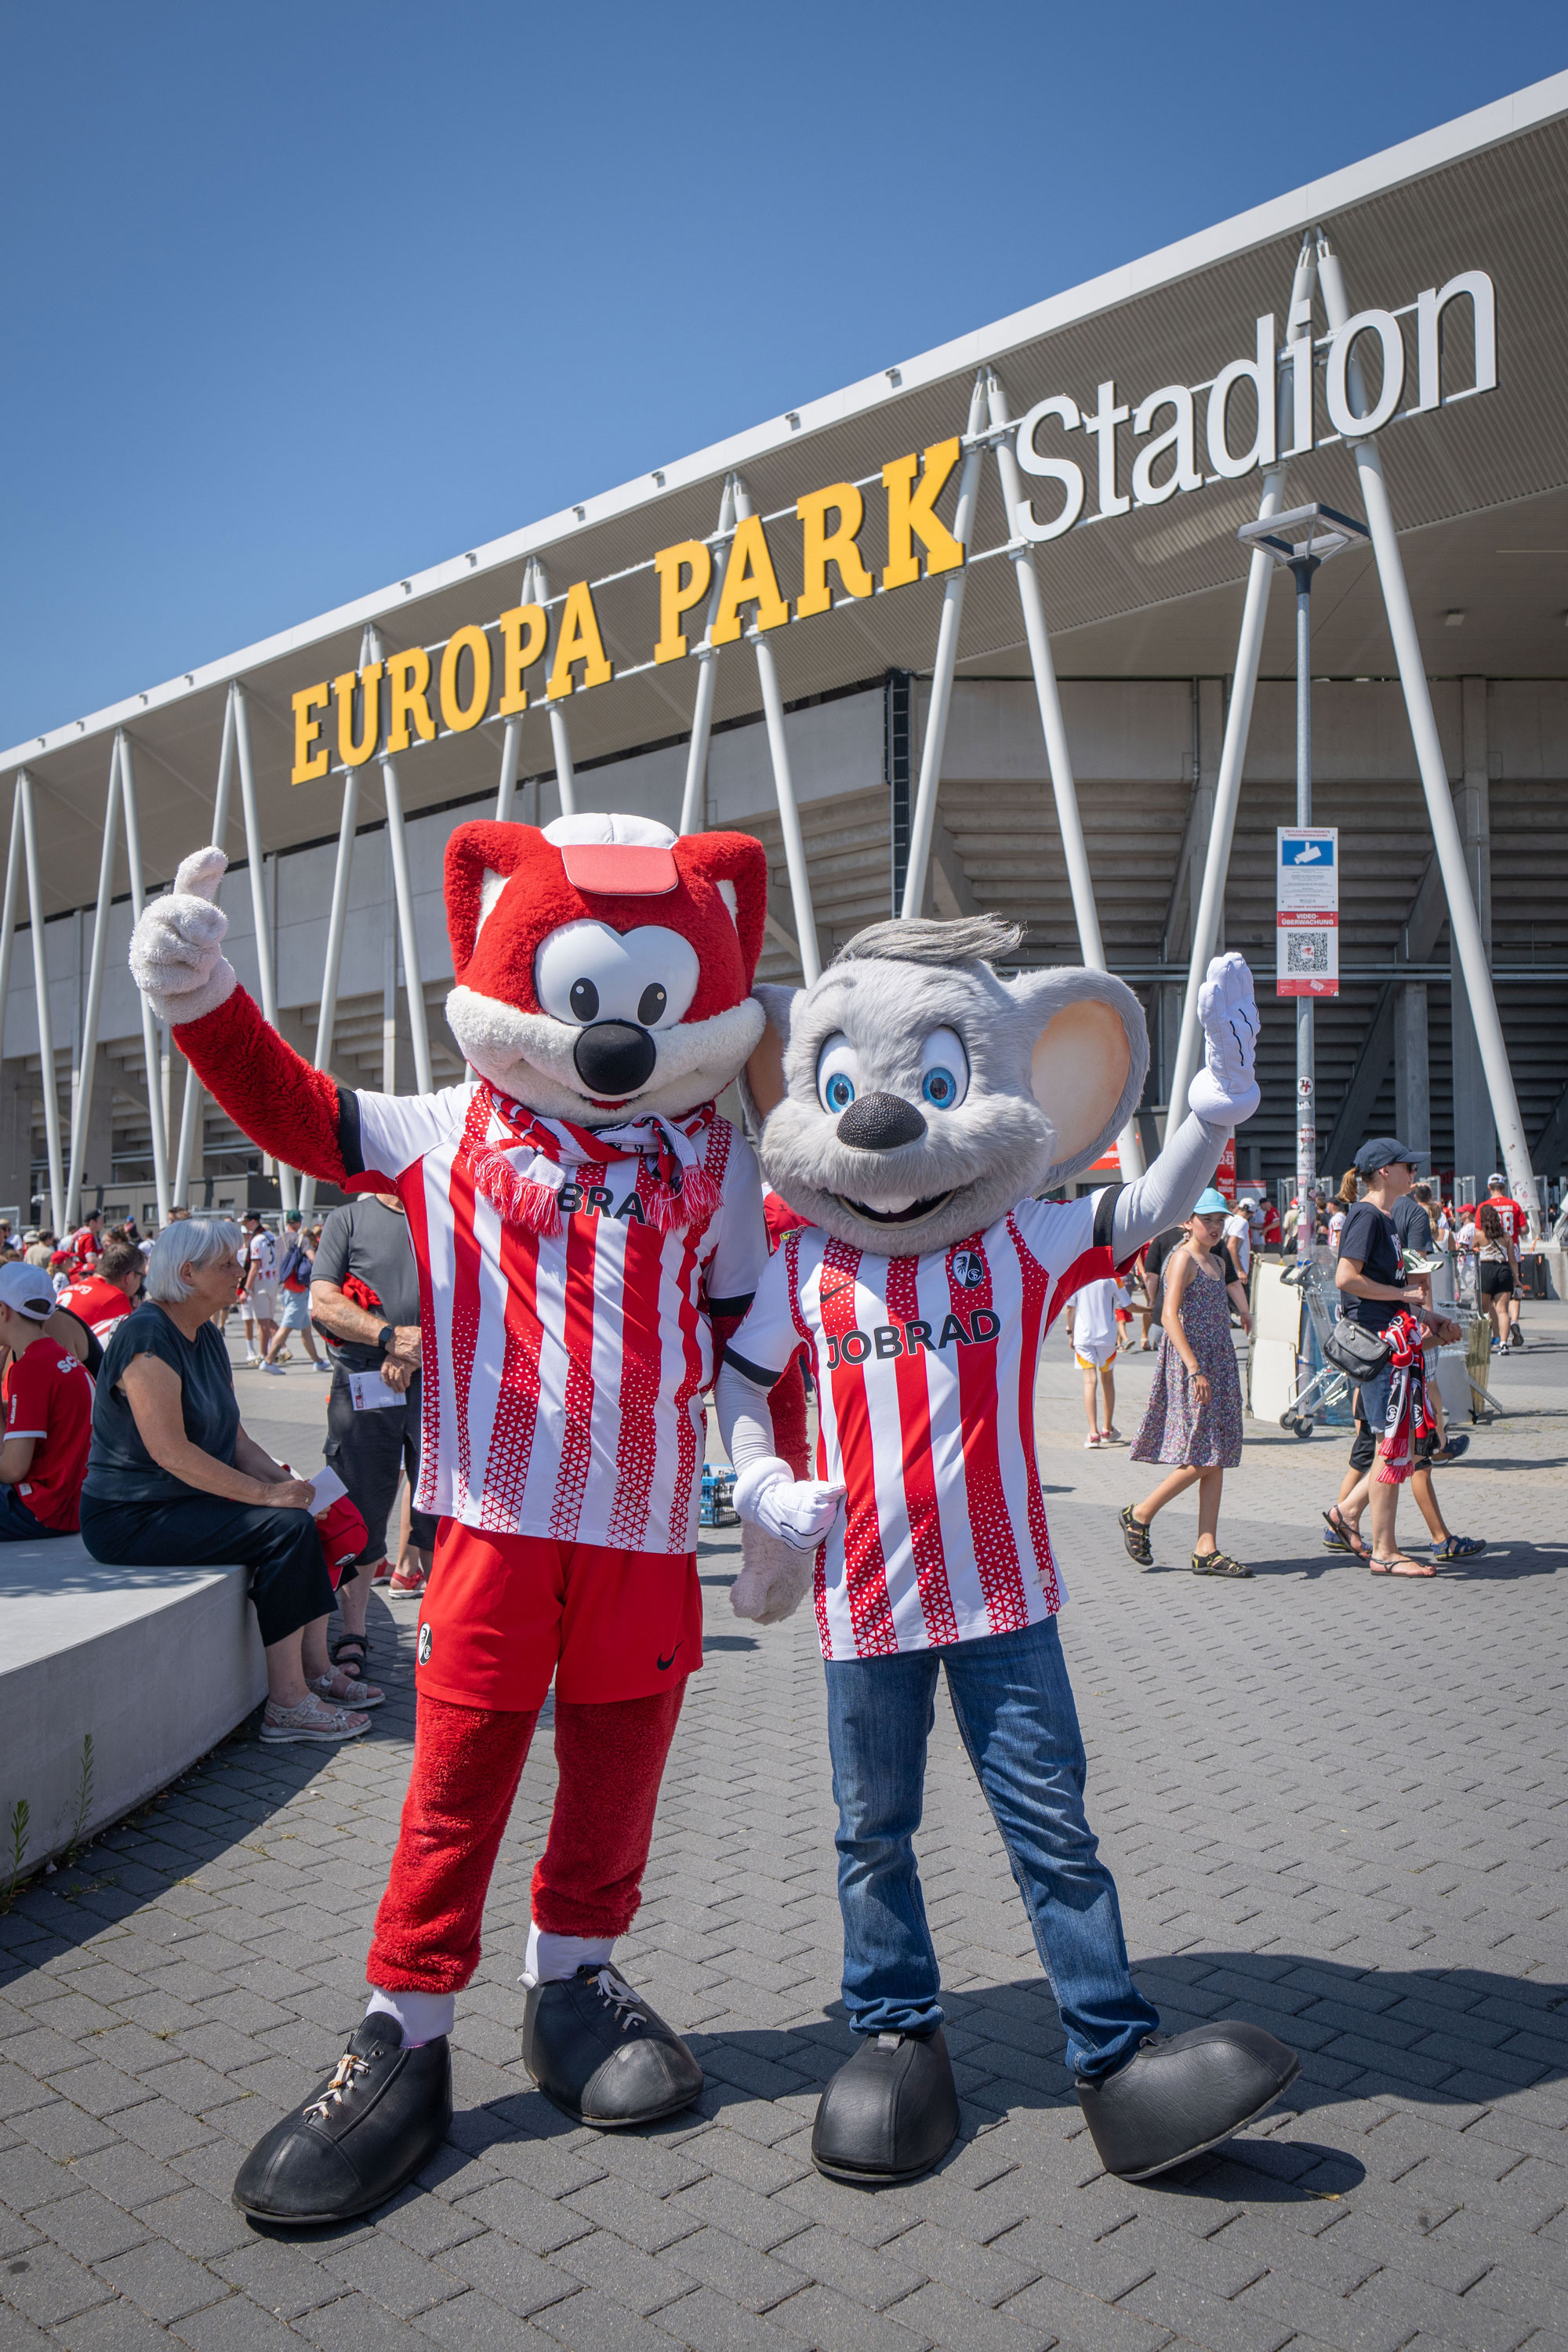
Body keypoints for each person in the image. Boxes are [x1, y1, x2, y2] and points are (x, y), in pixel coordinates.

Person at [78, 1219, 379, 1742]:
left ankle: (314, 1671)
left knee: (307, 1515)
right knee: (285, 1529)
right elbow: (171, 1453)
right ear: (187, 1273)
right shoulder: (147, 1334)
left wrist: (295, 1486)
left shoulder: (206, 1334)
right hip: (131, 1516)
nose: (241, 1272)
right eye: (228, 1265)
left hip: (177, 1502)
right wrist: (269, 1496)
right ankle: (286, 1704)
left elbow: (236, 1441)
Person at [1325, 1138, 1455, 1577]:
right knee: (1388, 1446)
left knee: (1391, 1445)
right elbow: (1347, 1276)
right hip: (1381, 1346)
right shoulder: (1367, 1215)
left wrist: (1430, 1316)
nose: (1414, 1173)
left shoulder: (1387, 1217)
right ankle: (1384, 1550)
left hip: (1392, 1340)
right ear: (1384, 1171)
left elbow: (1395, 1285)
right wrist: (1404, 1295)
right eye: (1407, 1166)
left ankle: (1348, 1515)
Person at [309, 1193, 436, 1636]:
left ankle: (442, 1637)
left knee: (445, 1519)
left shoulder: (446, 1207)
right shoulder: (347, 1218)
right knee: (356, 1513)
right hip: (364, 1386)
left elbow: (480, 1293)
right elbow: (322, 1301)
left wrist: (412, 1353)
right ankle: (353, 1633)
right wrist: (388, 1337)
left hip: (441, 1385)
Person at [1121, 1189, 1253, 1577]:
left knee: (1220, 1453)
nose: (1214, 1226)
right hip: (1193, 1363)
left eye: (1219, 1220)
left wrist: (1244, 1313)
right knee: (1204, 1451)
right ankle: (1140, 1513)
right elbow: (1168, 1316)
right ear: (1187, 1222)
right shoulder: (1183, 1258)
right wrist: (1195, 1368)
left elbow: (1229, 1289)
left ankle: (1206, 1548)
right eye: (1206, 1219)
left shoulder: (1215, 1258)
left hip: (1220, 1361)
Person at [0, 1262, 94, 1539]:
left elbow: (13, 1469)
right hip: (73, 1505)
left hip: (43, 1510)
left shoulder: (30, 1368)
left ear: (3, 1311)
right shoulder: (59, 1356)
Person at [262, 1217, 328, 1371]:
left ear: (287, 1223)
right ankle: (268, 1361)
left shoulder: (278, 1240)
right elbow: (313, 1258)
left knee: (305, 1329)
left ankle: (318, 1362)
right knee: (286, 1327)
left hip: (283, 1286)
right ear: (298, 1223)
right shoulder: (302, 1239)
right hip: (297, 1288)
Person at [55, 1237, 144, 1341]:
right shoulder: (116, 1298)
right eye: (141, 1277)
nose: (140, 1283)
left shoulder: (72, 1287)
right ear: (129, 1277)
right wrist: (134, 1316)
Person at [1073, 1275, 1124, 1445]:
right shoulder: (1113, 1277)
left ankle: (1093, 1433)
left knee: (1089, 1382)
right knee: (1108, 1380)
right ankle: (1107, 1429)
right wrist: (1150, 1310)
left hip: (1083, 1336)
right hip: (1107, 1337)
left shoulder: (1078, 1275)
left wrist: (1069, 1332)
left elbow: (1069, 1308)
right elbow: (1128, 1304)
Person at [1483, 1174, 1531, 1346]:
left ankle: (1497, 1333)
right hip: (1513, 1251)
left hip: (1491, 1255)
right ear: (1504, 1187)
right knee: (1514, 1290)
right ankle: (1514, 1322)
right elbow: (1524, 1228)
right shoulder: (1514, 1205)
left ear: (1489, 1188)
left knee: (1494, 1297)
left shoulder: (1484, 1206)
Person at [1475, 1202, 1518, 1354]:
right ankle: (1504, 1344)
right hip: (1503, 1270)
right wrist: (1517, 1279)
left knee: (1483, 1311)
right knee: (1502, 1311)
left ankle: (1484, 1343)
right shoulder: (1507, 1237)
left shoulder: (1479, 1234)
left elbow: (1469, 1249)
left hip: (1486, 1269)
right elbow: (1512, 1260)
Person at [238, 1211, 278, 1367]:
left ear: (253, 1222)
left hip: (261, 1281)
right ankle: (270, 1353)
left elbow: (254, 1267)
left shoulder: (257, 1240)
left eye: (246, 1222)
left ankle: (264, 1356)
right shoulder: (271, 1236)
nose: (245, 1226)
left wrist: (246, 1289)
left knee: (263, 1322)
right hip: (273, 1279)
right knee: (267, 1320)